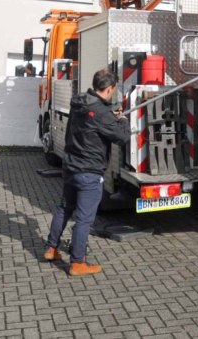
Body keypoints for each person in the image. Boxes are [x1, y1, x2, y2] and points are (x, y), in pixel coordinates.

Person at [43, 68, 130, 276]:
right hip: (89, 172)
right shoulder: (101, 113)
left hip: (71, 166)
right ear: (109, 89)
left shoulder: (79, 102)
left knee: (64, 208)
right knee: (84, 218)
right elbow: (122, 138)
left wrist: (111, 116)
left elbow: (96, 119)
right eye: (113, 90)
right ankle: (77, 262)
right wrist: (123, 121)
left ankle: (51, 248)